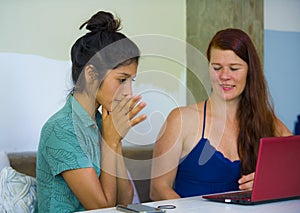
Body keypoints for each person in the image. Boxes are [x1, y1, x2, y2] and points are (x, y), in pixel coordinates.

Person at [150, 28, 292, 200]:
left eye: (234, 68)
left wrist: (271, 182)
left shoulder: (267, 122)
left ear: (250, 71)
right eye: (217, 68)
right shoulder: (181, 120)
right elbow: (158, 190)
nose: (224, 76)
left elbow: (294, 172)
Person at [36, 11, 147, 212]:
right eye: (122, 80)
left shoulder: (100, 122)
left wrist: (116, 139)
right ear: (91, 74)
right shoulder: (61, 129)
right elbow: (101, 208)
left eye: (132, 81)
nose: (128, 92)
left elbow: (126, 198)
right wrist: (111, 141)